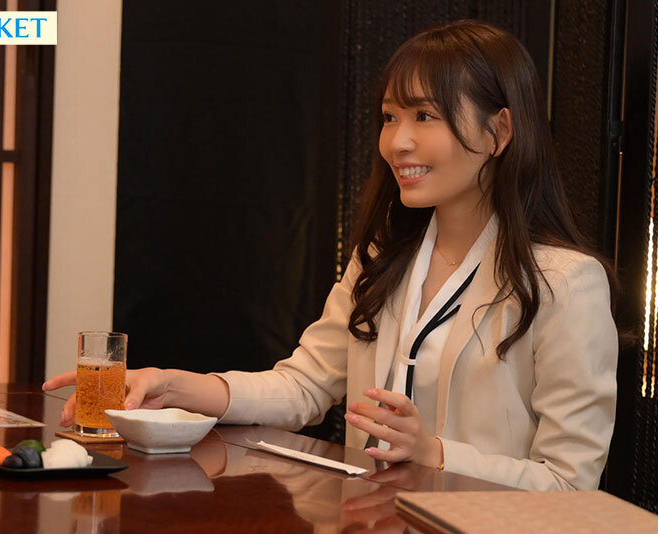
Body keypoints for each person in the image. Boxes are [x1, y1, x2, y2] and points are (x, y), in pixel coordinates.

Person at [44, 20, 618, 492]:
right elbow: (304, 388)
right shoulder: (382, 257)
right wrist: (175, 387)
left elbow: (570, 486)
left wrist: (434, 453)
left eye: (425, 116)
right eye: (390, 117)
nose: (397, 142)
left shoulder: (566, 284)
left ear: (499, 132)